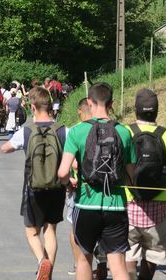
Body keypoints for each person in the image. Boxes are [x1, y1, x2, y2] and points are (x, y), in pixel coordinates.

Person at [58, 82, 136, 280]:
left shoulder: (77, 132)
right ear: (112, 104)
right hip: (116, 205)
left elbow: (62, 172)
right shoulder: (125, 132)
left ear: (89, 103)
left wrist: (69, 184)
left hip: (85, 203)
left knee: (84, 260)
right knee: (117, 265)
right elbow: (132, 175)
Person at [1, 87, 68, 280]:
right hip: (56, 187)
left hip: (33, 187)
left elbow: (5, 149)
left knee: (31, 232)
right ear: (51, 106)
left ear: (32, 107)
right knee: (51, 230)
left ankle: (41, 261)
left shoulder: (27, 131)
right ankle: (49, 272)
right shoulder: (63, 130)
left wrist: (13, 146)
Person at [125, 88, 166, 280]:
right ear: (157, 111)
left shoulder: (125, 133)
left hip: (127, 208)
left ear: (135, 110)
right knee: (153, 255)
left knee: (127, 253)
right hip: (159, 213)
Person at [66, 98, 93, 277]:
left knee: (76, 230)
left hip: (79, 189)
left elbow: (70, 165)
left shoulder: (75, 132)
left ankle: (79, 264)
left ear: (79, 111)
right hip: (106, 191)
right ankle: (101, 264)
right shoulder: (109, 130)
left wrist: (68, 179)